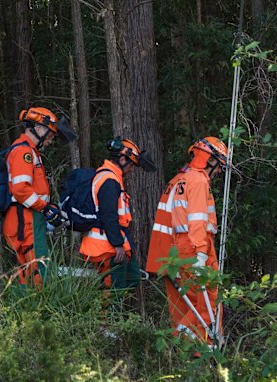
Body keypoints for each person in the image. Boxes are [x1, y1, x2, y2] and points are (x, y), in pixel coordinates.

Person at [146, 137, 228, 346]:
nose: (219, 171)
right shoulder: (198, 181)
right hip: (194, 247)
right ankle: (204, 350)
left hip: (174, 251)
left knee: (183, 305)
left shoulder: (178, 180)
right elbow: (198, 220)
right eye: (219, 165)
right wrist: (201, 254)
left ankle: (181, 347)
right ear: (210, 159)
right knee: (206, 302)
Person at [3, 107, 77, 288]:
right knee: (39, 272)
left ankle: (25, 313)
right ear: (39, 128)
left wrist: (47, 206)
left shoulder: (29, 152)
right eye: (51, 135)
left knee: (28, 274)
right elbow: (20, 189)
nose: (51, 140)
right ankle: (40, 313)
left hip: (28, 217)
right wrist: (44, 208)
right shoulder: (24, 152)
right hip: (26, 220)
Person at [79, 137, 155, 301]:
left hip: (110, 244)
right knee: (114, 289)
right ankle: (107, 323)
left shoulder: (110, 177)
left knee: (132, 278)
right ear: (122, 159)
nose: (132, 170)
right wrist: (117, 245)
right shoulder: (109, 180)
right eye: (131, 165)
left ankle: (109, 319)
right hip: (107, 246)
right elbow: (109, 216)